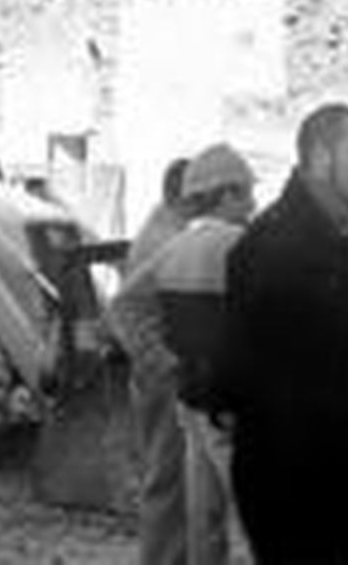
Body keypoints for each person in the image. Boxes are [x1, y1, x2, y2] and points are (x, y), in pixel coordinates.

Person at [224, 104, 348, 564]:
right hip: (295, 494)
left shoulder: (341, 239)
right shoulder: (274, 246)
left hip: (337, 486)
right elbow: (258, 387)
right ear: (319, 157)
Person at [152, 144, 259, 565]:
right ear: (227, 194)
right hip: (233, 408)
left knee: (204, 521)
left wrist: (165, 362)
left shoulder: (173, 249)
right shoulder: (243, 247)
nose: (253, 202)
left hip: (191, 400)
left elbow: (127, 305)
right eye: (247, 193)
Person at [111, 158, 192, 565]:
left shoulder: (164, 228)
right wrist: (164, 363)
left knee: (171, 479)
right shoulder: (166, 239)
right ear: (184, 194)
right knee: (168, 479)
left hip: (156, 372)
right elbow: (125, 306)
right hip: (163, 376)